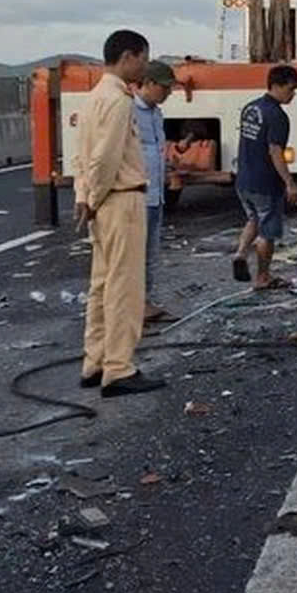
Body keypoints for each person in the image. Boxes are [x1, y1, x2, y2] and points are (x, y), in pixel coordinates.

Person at [74, 30, 166, 397]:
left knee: (100, 286)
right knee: (125, 287)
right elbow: (106, 157)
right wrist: (95, 197)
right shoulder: (119, 101)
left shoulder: (94, 97)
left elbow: (83, 156)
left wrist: (85, 196)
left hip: (102, 201)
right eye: (143, 58)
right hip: (121, 198)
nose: (145, 66)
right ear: (128, 57)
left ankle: (94, 362)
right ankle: (119, 368)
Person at [232, 65, 297, 290]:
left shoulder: (250, 108)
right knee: (267, 231)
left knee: (253, 219)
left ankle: (240, 254)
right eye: (291, 89)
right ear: (277, 85)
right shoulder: (277, 116)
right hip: (265, 182)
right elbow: (275, 151)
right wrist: (290, 183)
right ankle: (263, 276)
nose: (293, 95)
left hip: (244, 179)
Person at [133, 61, 177, 325]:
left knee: (150, 252)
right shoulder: (128, 111)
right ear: (148, 84)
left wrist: (167, 169)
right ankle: (133, 307)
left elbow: (155, 151)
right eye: (165, 87)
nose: (168, 93)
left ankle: (144, 301)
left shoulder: (156, 113)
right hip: (137, 196)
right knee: (136, 254)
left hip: (155, 193)